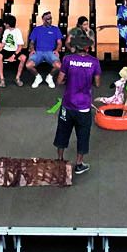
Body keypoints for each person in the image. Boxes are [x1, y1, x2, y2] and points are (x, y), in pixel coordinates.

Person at [54, 29, 101, 177]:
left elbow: (59, 81)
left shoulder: (67, 59)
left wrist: (70, 81)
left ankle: (60, 161)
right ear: (87, 48)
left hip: (67, 105)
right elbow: (98, 84)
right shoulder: (94, 62)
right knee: (83, 136)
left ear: (76, 47)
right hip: (84, 108)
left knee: (62, 133)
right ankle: (79, 164)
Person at [24, 11, 64, 88]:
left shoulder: (56, 29)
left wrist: (57, 50)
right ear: (43, 20)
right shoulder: (37, 29)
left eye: (50, 18)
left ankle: (49, 77)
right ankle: (38, 77)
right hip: (38, 51)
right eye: (48, 19)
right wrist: (32, 49)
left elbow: (59, 43)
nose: (50, 20)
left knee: (59, 66)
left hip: (50, 52)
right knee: (28, 65)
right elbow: (32, 42)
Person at [0, 15, 24, 87]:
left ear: (8, 24)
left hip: (15, 51)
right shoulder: (6, 31)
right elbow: (3, 44)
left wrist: (13, 56)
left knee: (23, 58)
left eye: (5, 23)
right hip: (6, 50)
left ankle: (17, 78)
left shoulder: (17, 31)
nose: (4, 24)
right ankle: (2, 79)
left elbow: (20, 46)